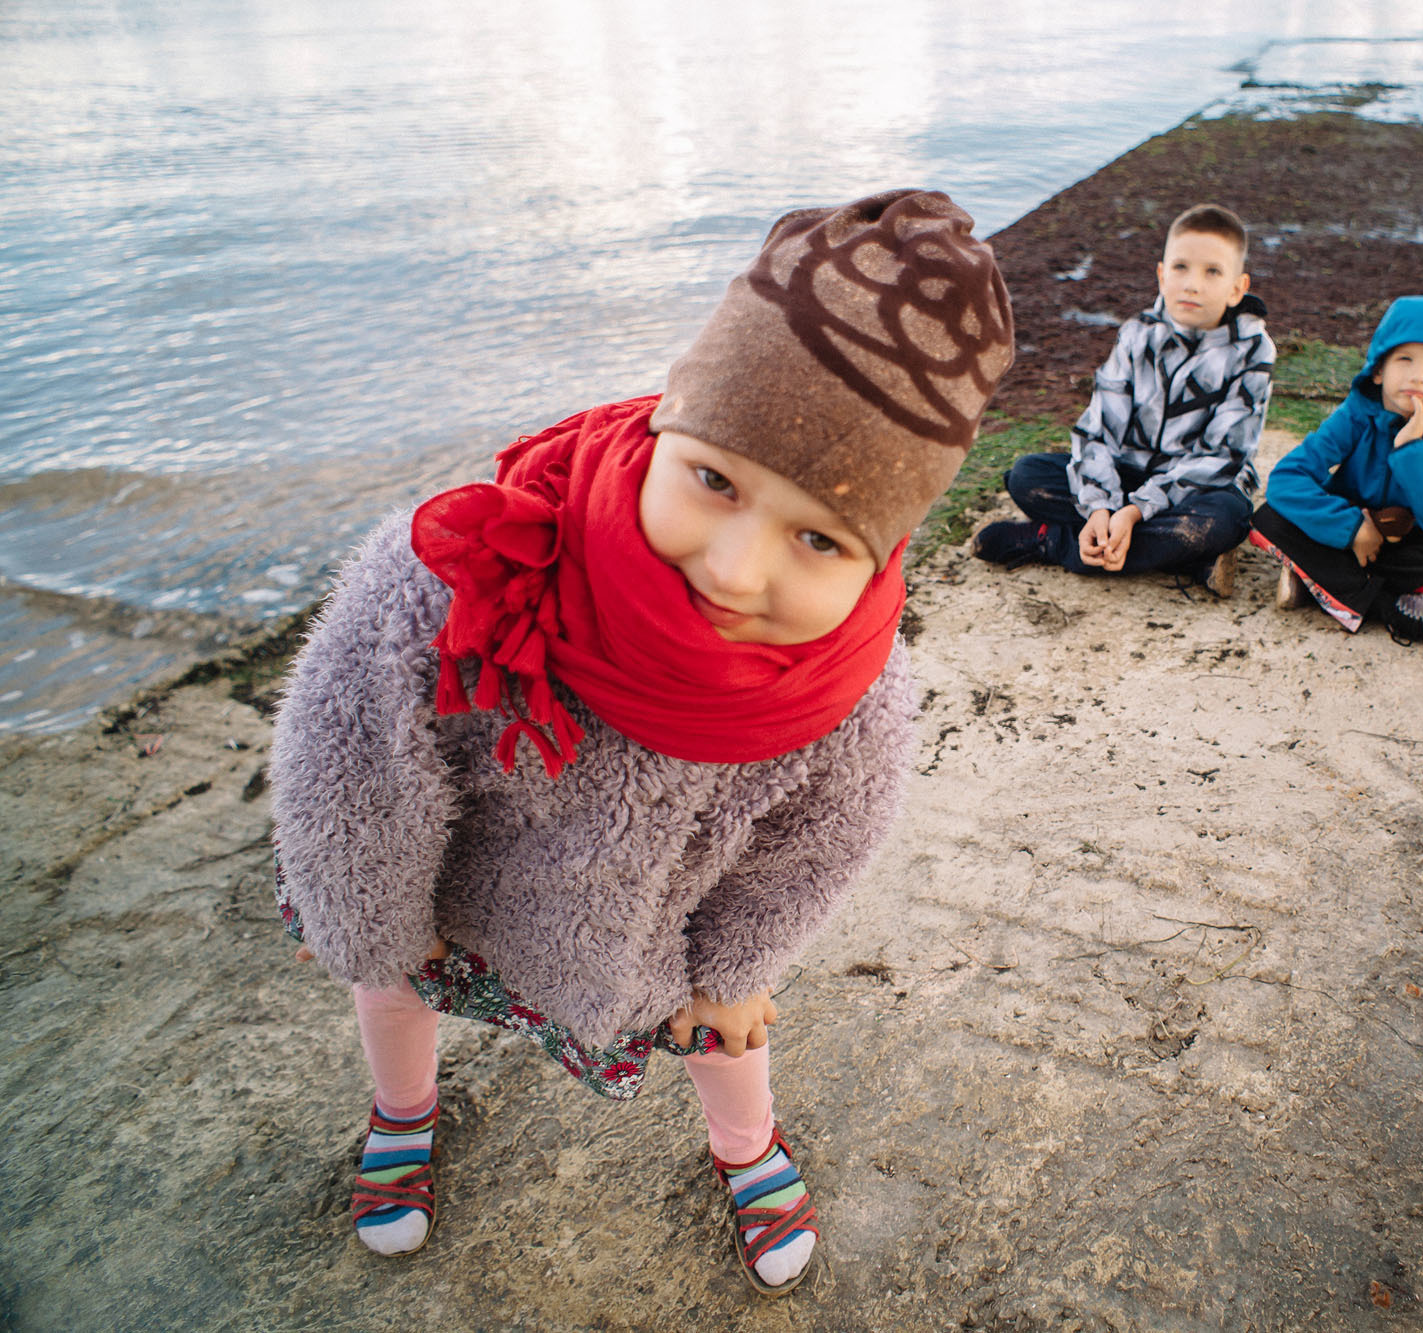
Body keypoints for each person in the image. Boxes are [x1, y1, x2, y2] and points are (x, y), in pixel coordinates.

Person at [268, 190, 1013, 1296]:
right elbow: (349, 760)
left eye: (816, 537)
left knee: (729, 1030)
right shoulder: (475, 561)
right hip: (443, 899)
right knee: (390, 987)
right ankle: (404, 1108)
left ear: (882, 553)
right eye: (714, 480)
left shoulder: (852, 684)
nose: (733, 568)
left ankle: (745, 1149)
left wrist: (736, 969)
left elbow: (822, 839)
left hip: (656, 929)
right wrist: (362, 919)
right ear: (670, 412)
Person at [971, 203, 1272, 594]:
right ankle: (1182, 554)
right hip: (1127, 474)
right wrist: (1100, 506)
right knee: (1027, 476)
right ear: (1162, 275)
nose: (1192, 284)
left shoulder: (1254, 351)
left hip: (1200, 488)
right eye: (1180, 267)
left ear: (1237, 288)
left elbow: (1221, 457)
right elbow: (1097, 431)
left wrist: (1132, 512)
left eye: (1212, 271)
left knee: (1225, 521)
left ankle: (1052, 541)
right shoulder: (1137, 334)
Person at [1250, 295, 1423, 651]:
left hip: (1405, 546)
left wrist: (1411, 449)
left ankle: (1318, 582)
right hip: (1342, 536)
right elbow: (1286, 480)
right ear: (1378, 370)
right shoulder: (1357, 414)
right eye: (1404, 359)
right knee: (1269, 518)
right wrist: (1351, 528)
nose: (1418, 376)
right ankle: (1392, 609)